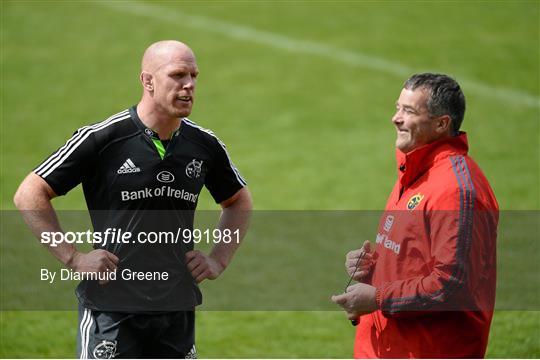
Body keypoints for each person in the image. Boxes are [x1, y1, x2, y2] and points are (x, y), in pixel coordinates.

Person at [14, 40, 253, 358]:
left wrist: (218, 258)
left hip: (175, 310)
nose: (189, 85)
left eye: (194, 76)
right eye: (178, 75)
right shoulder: (103, 139)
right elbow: (29, 193)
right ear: (148, 81)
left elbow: (238, 201)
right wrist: (73, 258)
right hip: (111, 310)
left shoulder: (204, 145)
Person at [332, 73, 499, 358]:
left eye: (408, 111)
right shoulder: (413, 172)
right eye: (398, 108)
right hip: (386, 347)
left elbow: (452, 284)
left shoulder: (455, 191)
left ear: (441, 124)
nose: (395, 118)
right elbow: (413, 258)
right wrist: (371, 269)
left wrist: (378, 297)